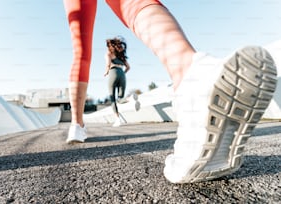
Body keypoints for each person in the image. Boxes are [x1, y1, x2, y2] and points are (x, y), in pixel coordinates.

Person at [63, 0, 278, 183]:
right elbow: (127, 66)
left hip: (112, 74)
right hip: (122, 73)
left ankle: (77, 125)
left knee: (80, 48)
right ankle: (191, 72)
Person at [104, 37, 130, 127]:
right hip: (122, 73)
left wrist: (106, 71)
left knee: (113, 99)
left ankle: (117, 119)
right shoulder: (121, 56)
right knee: (120, 99)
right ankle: (131, 99)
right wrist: (122, 74)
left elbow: (108, 64)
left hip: (113, 72)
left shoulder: (109, 54)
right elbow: (128, 67)